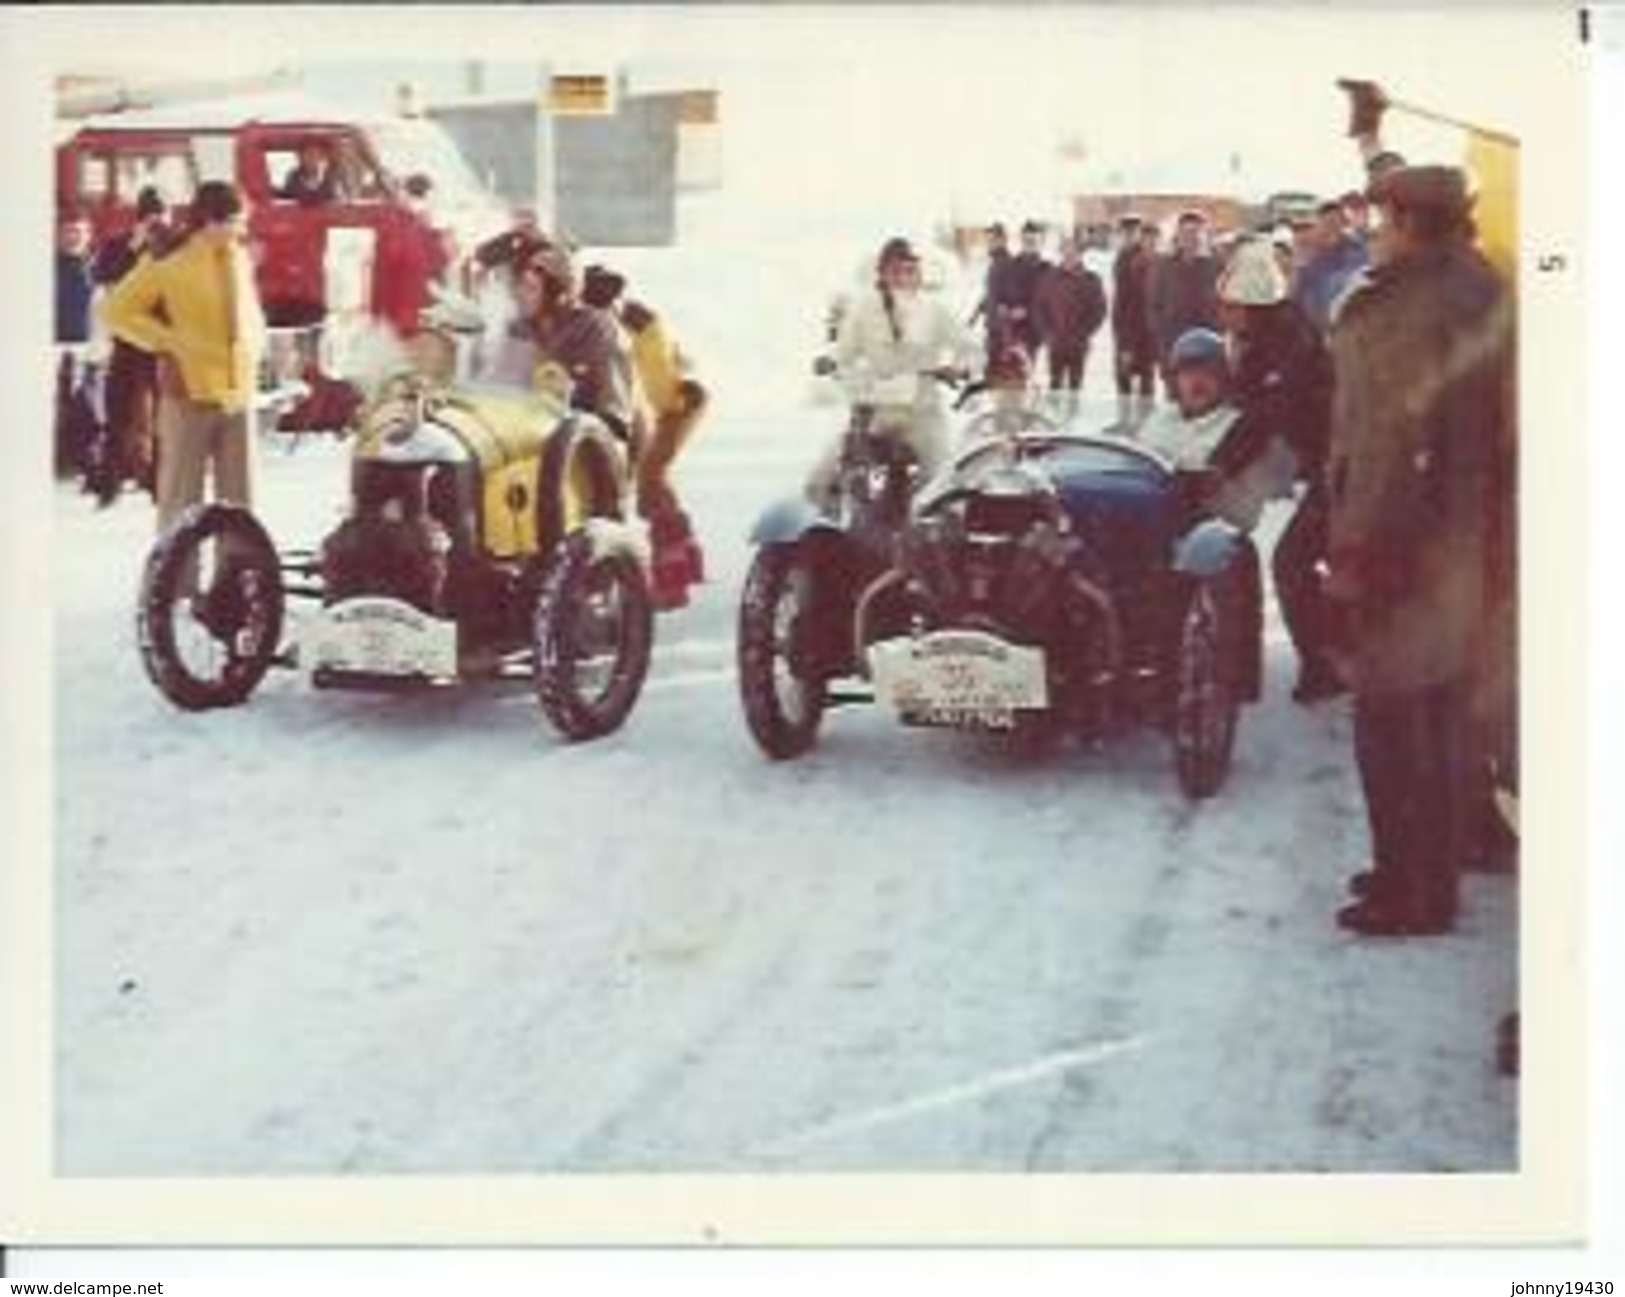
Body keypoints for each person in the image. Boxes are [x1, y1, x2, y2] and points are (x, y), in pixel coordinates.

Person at [1322, 163, 1515, 937]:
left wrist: (1362, 551)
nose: (1371, 229)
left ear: (1408, 222)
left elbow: (1394, 444)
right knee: (1434, 720)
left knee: (1392, 722)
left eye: (1380, 217)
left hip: (1405, 543)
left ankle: (1414, 890)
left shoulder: (1412, 304)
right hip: (1455, 543)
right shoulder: (1470, 282)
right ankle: (1420, 868)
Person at [1207, 237, 1340, 703]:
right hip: (1331, 463)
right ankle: (1332, 653)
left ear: (1250, 306)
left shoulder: (1287, 342)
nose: (1223, 314)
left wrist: (1219, 464)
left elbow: (1264, 417)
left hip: (1346, 466)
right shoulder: (1270, 336)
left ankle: (1324, 667)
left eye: (1229, 306)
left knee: (1291, 562)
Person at [102, 181, 266, 534]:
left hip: (238, 397)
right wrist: (168, 342)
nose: (243, 229)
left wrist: (257, 348)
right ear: (210, 220)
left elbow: (249, 315)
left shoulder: (238, 256)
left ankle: (236, 580)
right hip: (188, 395)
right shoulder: (168, 260)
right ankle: (176, 584)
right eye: (237, 221)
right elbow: (115, 311)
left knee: (240, 504)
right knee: (181, 501)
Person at [805, 236, 977, 512]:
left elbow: (969, 347)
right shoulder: (863, 309)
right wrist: (829, 360)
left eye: (910, 270)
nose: (903, 278)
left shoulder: (935, 310)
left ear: (918, 275)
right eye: (895, 270)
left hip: (923, 411)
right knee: (820, 481)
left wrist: (961, 367)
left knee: (944, 482)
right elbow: (845, 349)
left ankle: (928, 540)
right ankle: (834, 538)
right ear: (882, 274)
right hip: (876, 410)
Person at [480, 240, 637, 442]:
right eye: (520, 286)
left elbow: (613, 414)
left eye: (531, 288)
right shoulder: (519, 328)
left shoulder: (597, 328)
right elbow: (499, 386)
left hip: (581, 441)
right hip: (527, 429)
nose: (518, 295)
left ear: (559, 294)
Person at [1138, 328, 1280, 534]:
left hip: (1212, 534)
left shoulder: (1237, 428)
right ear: (1175, 379)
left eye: (1208, 373)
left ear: (1224, 378)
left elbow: (1240, 507)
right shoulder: (1160, 419)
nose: (1197, 382)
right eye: (1188, 373)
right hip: (1150, 523)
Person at [89, 185, 175, 505]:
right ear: (138, 219)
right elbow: (99, 274)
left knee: (164, 415)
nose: (157, 224)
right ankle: (109, 482)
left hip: (162, 340)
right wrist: (133, 247)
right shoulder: (118, 245)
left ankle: (158, 481)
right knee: (118, 411)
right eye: (150, 218)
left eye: (161, 217)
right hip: (126, 339)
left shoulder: (176, 247)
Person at [1148, 209, 1220, 395]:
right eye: (1186, 232)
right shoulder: (1164, 267)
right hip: (1173, 350)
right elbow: (1153, 307)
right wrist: (1163, 346)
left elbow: (1224, 306)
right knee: (1175, 404)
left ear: (1203, 235)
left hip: (1207, 350)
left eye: (1196, 232)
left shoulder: (1215, 266)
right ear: (1178, 235)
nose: (1191, 237)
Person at [1032, 235, 1106, 417]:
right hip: (1055, 341)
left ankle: (1073, 418)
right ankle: (1054, 418)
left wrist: (1085, 333)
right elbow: (1039, 308)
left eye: (1074, 252)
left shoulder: (1091, 280)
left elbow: (1099, 310)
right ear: (1061, 253)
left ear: (1080, 254)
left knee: (1075, 385)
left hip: (1078, 343)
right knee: (1055, 383)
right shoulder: (1049, 278)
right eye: (1066, 251)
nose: (1070, 255)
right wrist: (1047, 333)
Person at [1292, 199, 1369, 335]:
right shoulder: (1310, 251)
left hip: (1349, 322)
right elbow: (1300, 289)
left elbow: (1360, 277)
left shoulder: (1357, 248)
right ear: (1319, 223)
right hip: (1317, 325)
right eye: (1327, 222)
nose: (1332, 226)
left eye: (1335, 221)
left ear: (1343, 223)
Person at [1109, 216, 1158, 429]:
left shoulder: (1142, 259)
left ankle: (1141, 423)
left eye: (1132, 232)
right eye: (1124, 232)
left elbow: (1137, 303)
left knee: (1141, 376)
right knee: (1125, 378)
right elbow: (1121, 300)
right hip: (1125, 328)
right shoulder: (1123, 257)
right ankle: (1126, 420)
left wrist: (1128, 342)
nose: (1128, 236)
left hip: (1140, 331)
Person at [280, 140, 338, 206]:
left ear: (321, 157)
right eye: (308, 154)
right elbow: (287, 202)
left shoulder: (329, 178)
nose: (311, 159)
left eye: (315, 154)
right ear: (300, 157)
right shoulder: (293, 177)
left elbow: (335, 204)